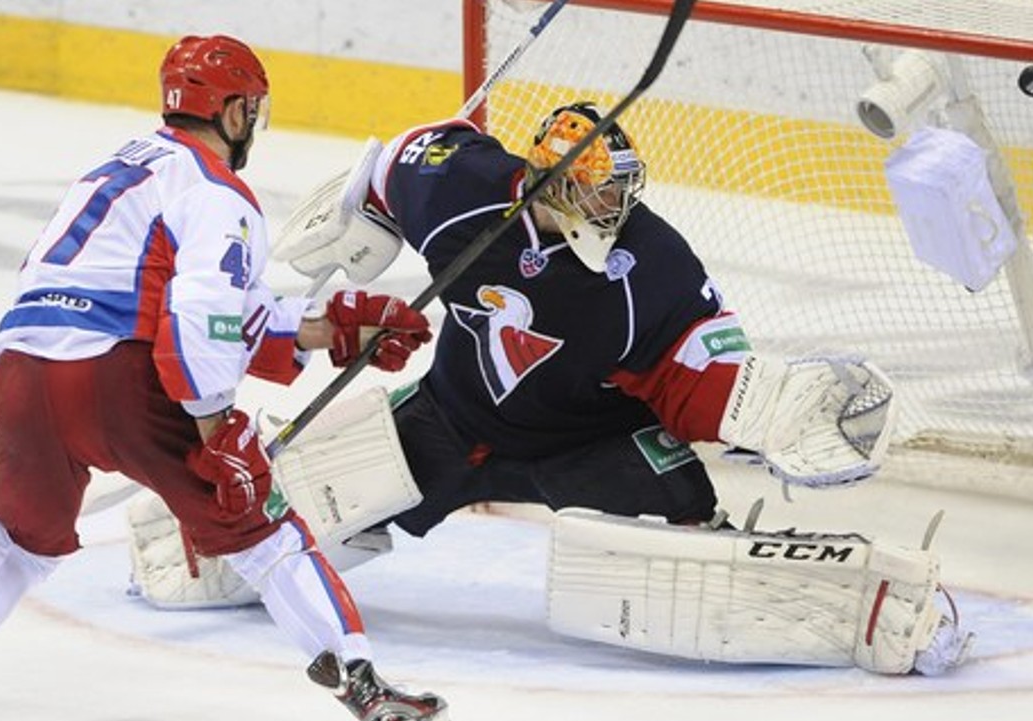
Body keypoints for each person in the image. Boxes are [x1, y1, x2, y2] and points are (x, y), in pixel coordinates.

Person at [129, 101, 974, 677]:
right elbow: (400, 161)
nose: (614, 202)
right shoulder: (463, 193)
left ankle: (871, 612)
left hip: (592, 445)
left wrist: (769, 409)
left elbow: (697, 372)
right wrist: (361, 218)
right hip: (451, 419)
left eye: (620, 186)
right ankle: (191, 554)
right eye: (597, 186)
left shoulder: (652, 263)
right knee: (262, 524)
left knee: (696, 541)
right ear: (553, 181)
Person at [0, 34, 458, 721]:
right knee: (265, 539)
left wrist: (328, 327)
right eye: (251, 109)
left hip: (21, 376)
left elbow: (193, 302)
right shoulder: (214, 190)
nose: (253, 124)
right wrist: (216, 428)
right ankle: (365, 687)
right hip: (121, 383)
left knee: (18, 539)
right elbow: (200, 316)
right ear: (232, 112)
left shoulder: (116, 168)